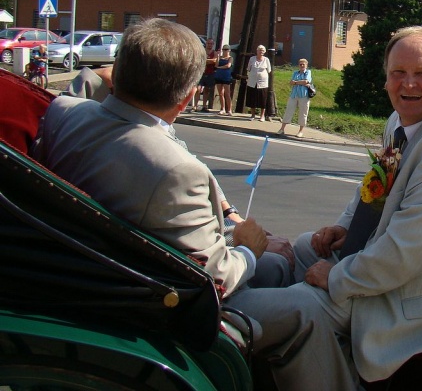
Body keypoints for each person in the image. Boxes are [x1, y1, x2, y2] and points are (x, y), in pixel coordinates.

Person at [231, 26, 422, 390]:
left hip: (420, 299)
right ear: (386, 77)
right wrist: (345, 227)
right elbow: (373, 188)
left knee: (300, 306)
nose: (409, 84)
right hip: (395, 269)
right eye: (398, 72)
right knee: (306, 245)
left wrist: (336, 278)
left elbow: (403, 254)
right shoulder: (401, 120)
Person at [31, 19, 294, 307]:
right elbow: (217, 275)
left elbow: (76, 96)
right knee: (284, 276)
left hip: (56, 266)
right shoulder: (178, 169)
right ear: (187, 98)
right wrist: (250, 251)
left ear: (116, 72)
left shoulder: (62, 112)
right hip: (143, 296)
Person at [278, 58, 312, 138]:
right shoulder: (295, 73)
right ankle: (282, 129)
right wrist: (300, 82)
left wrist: (296, 82)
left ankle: (300, 131)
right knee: (288, 110)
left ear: (306, 65)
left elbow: (306, 81)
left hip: (304, 95)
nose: (302, 66)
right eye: (300, 64)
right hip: (294, 94)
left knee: (303, 113)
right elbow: (291, 82)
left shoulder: (308, 72)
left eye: (303, 64)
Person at [245, 44, 271, 122]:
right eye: (259, 50)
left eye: (262, 50)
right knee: (252, 98)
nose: (261, 51)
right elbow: (248, 68)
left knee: (263, 99)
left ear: (264, 52)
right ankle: (252, 115)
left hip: (263, 83)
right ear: (257, 51)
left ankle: (262, 116)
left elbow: (269, 70)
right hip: (252, 81)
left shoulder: (266, 59)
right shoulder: (252, 59)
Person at [197, 37, 217, 112]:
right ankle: (195, 106)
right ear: (206, 43)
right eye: (208, 43)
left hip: (210, 73)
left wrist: (205, 60)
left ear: (213, 44)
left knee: (207, 90)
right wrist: (208, 61)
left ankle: (204, 106)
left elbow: (214, 60)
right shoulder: (202, 51)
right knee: (198, 89)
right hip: (201, 72)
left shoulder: (214, 53)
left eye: (211, 44)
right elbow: (199, 59)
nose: (209, 45)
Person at [214, 44, 233, 116]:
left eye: (226, 50)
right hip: (219, 76)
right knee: (221, 93)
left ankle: (229, 110)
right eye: (224, 49)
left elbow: (228, 66)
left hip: (226, 76)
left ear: (229, 50)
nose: (225, 51)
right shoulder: (220, 57)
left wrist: (219, 68)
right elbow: (216, 65)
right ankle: (222, 108)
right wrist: (218, 56)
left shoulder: (230, 58)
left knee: (227, 94)